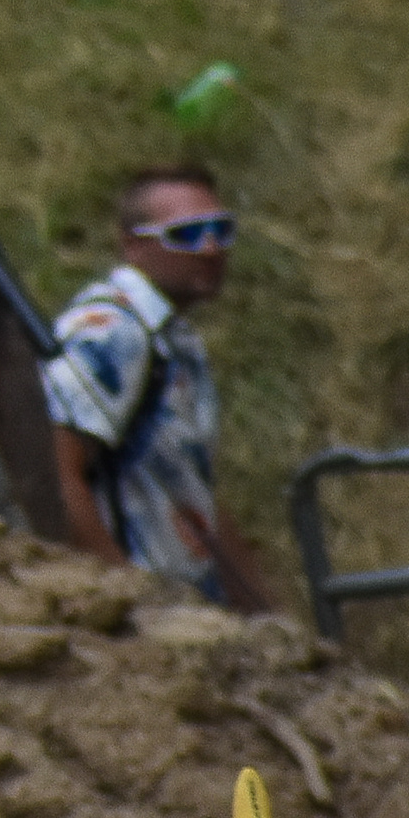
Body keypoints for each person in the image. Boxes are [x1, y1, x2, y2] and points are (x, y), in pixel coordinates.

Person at [46, 164, 274, 612]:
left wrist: (264, 613)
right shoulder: (111, 332)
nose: (210, 248)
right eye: (185, 235)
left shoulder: (173, 339)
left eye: (221, 230)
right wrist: (128, 605)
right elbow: (58, 475)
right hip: (144, 615)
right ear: (132, 245)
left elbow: (194, 491)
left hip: (189, 608)